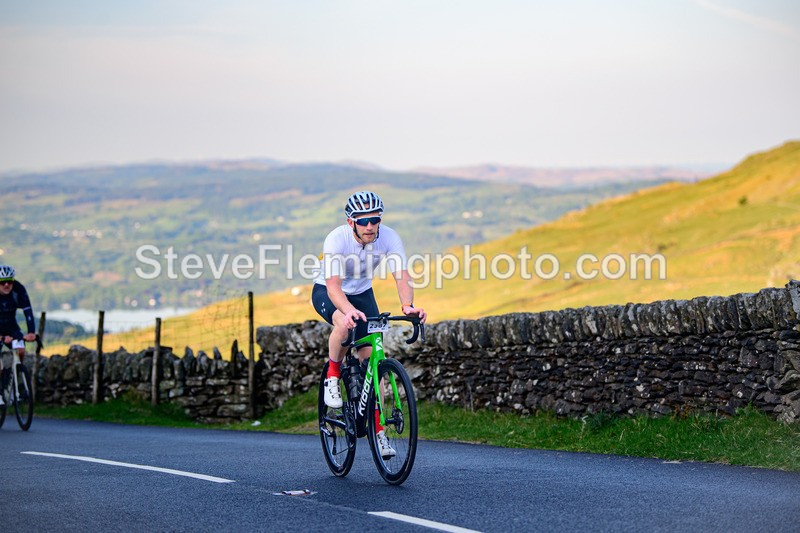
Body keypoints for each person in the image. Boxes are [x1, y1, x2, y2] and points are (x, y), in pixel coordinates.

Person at [312, 191, 427, 458]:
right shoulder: (337, 239)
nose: (370, 226)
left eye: (375, 219)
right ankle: (332, 376)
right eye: (363, 221)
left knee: (373, 365)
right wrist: (349, 310)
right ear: (351, 222)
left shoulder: (389, 237)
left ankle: (379, 434)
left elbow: (401, 274)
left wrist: (408, 306)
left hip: (363, 293)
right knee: (342, 323)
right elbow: (333, 287)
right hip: (329, 291)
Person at [0, 265, 37, 406]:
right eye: (2, 282)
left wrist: (31, 332)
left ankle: (16, 377)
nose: (7, 285)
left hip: (11, 326)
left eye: (9, 281)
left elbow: (28, 311)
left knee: (21, 349)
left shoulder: (19, 289)